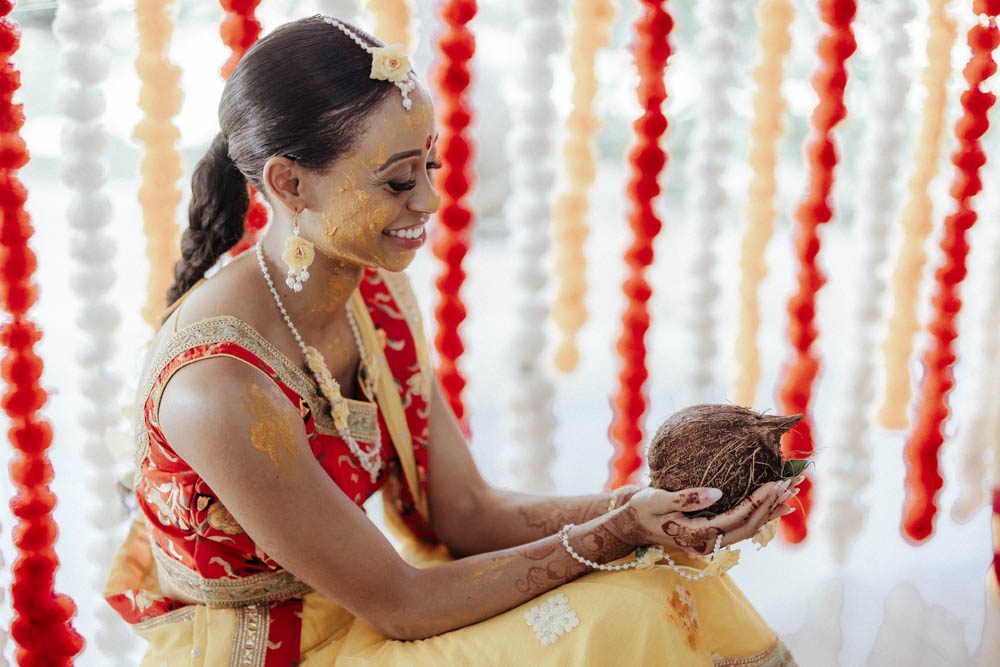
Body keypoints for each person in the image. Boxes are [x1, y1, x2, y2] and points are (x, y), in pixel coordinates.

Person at [104, 15, 801, 666]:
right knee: (628, 609)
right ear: (289, 183)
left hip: (367, 606)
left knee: (661, 583)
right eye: (398, 180)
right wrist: (618, 531)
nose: (431, 201)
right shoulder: (216, 384)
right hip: (277, 649)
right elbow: (401, 602)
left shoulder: (371, 291)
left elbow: (465, 512)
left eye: (429, 166)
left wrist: (651, 510)